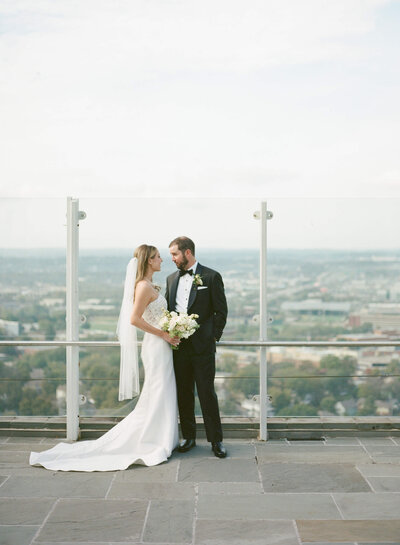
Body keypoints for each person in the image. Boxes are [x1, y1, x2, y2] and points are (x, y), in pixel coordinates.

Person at [30, 244, 180, 471]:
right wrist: (163, 334)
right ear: (149, 261)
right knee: (158, 389)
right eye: (158, 257)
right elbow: (134, 319)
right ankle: (153, 439)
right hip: (157, 344)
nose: (162, 260)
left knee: (162, 389)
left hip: (162, 344)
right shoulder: (143, 287)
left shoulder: (149, 285)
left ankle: (163, 436)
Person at [166, 236, 228, 458]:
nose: (171, 258)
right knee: (183, 393)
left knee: (207, 393)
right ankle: (189, 437)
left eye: (174, 254)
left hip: (203, 347)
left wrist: (213, 337)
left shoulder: (211, 276)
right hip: (179, 347)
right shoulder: (171, 279)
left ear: (188, 253)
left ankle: (216, 440)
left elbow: (221, 311)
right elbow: (168, 311)